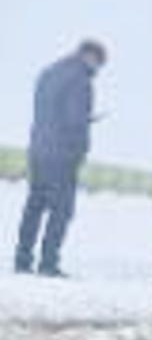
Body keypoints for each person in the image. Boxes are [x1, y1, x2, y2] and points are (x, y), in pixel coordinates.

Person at [15, 40, 108, 277]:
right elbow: (73, 119)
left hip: (38, 150)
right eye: (98, 63)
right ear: (89, 56)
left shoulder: (49, 72)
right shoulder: (80, 80)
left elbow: (48, 113)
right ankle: (48, 263)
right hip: (62, 155)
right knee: (62, 210)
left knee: (35, 205)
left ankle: (22, 259)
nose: (97, 69)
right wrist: (81, 145)